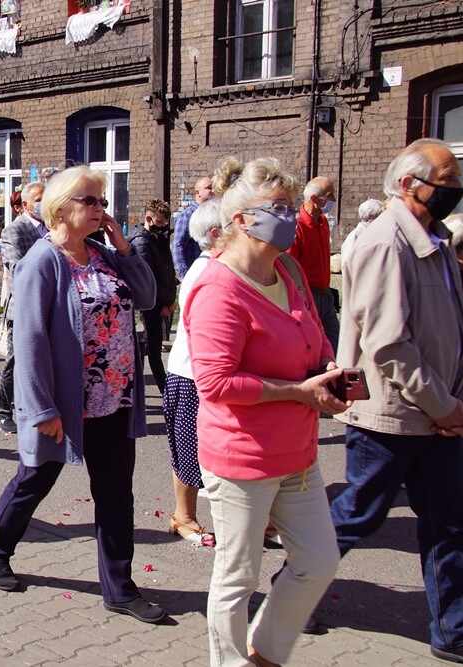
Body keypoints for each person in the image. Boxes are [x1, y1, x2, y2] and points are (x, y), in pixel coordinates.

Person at [184, 156, 347, 667]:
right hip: (241, 458)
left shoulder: (289, 267)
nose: (288, 214)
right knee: (238, 575)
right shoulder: (218, 288)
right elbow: (214, 382)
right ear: (240, 220)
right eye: (276, 207)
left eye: (290, 204)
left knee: (319, 561)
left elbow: (314, 330)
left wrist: (329, 364)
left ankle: (266, 653)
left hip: (296, 454)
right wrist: (300, 391)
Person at [0, 166, 164, 623]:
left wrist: (124, 246)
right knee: (34, 481)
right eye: (92, 201)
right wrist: (42, 407)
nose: (102, 209)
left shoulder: (103, 255)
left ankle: (120, 588)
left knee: (116, 495)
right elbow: (30, 340)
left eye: (103, 201)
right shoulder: (41, 262)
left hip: (114, 401)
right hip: (65, 404)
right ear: (60, 208)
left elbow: (145, 296)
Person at [328, 138, 463, 664]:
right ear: (407, 184)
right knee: (359, 514)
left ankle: (452, 629)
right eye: (445, 181)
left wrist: (452, 404)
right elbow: (387, 343)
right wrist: (443, 405)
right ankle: (292, 589)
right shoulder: (386, 241)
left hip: (439, 413)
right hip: (393, 414)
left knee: (450, 522)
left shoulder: (437, 238)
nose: (453, 190)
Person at [162, 199, 219, 545]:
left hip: (206, 374)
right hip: (192, 375)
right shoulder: (204, 268)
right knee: (189, 449)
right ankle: (183, 515)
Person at [0, 181, 47, 433]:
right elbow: (17, 268)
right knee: (16, 361)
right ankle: (3, 409)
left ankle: (37, 408)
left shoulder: (53, 227)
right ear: (25, 204)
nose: (43, 202)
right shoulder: (15, 231)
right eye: (38, 198)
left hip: (50, 307)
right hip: (25, 308)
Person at [128, 199, 177, 394]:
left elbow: (167, 267)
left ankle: (147, 389)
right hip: (151, 303)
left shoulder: (157, 239)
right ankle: (164, 392)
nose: (163, 226)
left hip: (161, 300)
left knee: (151, 345)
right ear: (149, 219)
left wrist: (170, 299)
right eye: (159, 222)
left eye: (166, 222)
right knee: (153, 349)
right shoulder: (142, 242)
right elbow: (147, 279)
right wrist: (167, 300)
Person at [288, 176, 339, 352]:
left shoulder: (323, 222)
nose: (333, 199)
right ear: (314, 199)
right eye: (329, 195)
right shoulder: (297, 226)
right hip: (309, 295)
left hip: (326, 294)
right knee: (313, 347)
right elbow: (290, 266)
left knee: (333, 343)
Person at [172, 176, 214, 280]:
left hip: (209, 272)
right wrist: (184, 276)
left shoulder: (213, 214)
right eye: (208, 188)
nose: (212, 190)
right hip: (193, 272)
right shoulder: (186, 216)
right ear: (197, 192)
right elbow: (178, 246)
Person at [339, 198, 383, 271]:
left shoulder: (374, 234)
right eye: (379, 216)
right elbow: (347, 265)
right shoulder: (354, 236)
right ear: (370, 216)